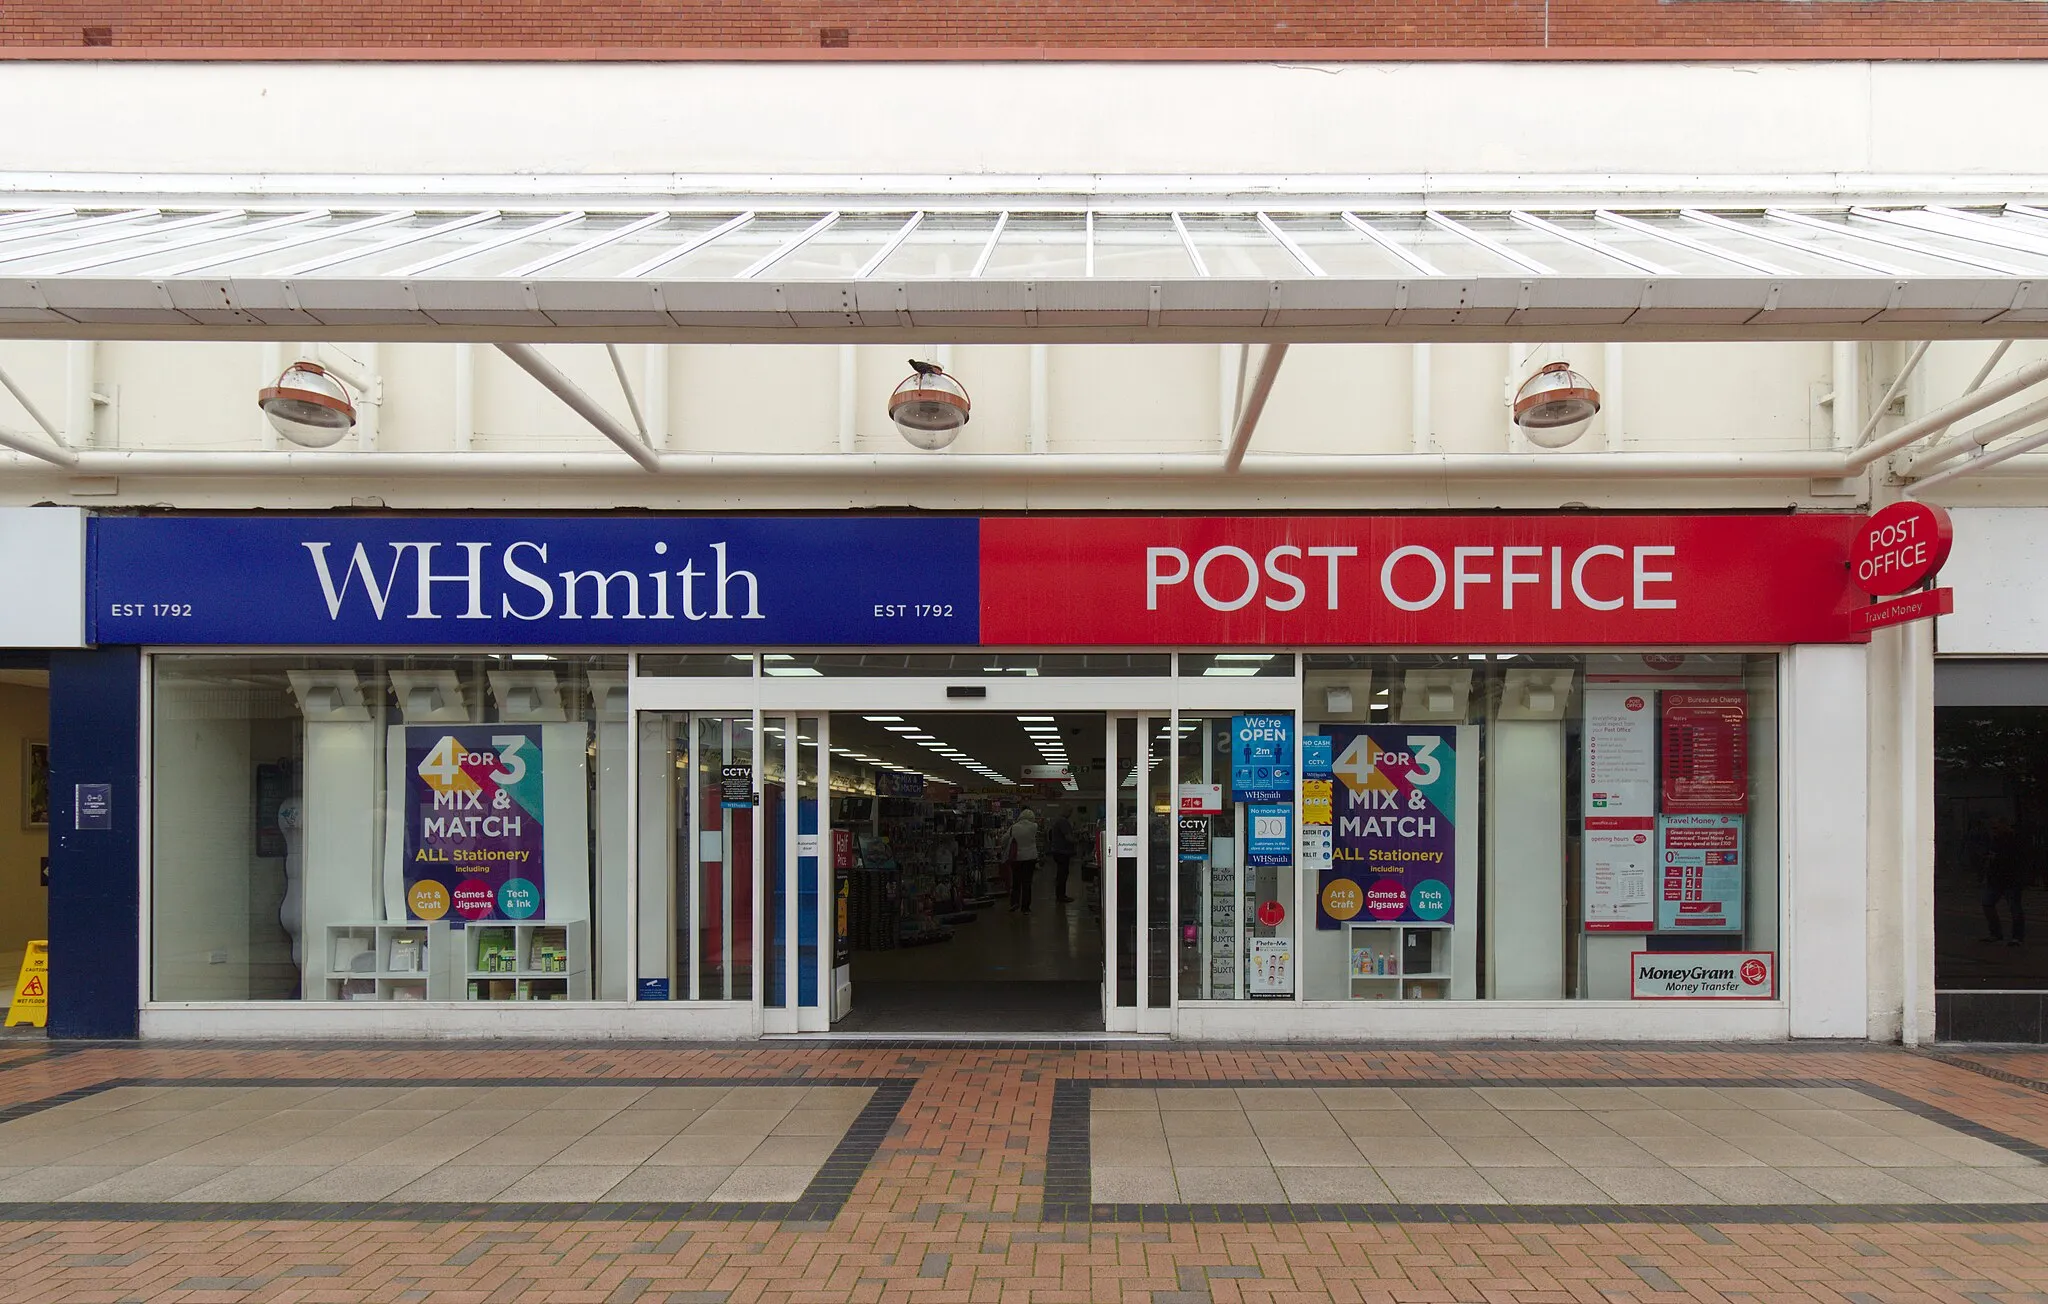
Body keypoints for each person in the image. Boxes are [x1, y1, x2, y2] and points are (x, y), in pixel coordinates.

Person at [1982, 819, 2028, 947]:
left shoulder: (2013, 841)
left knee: (2014, 908)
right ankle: (1996, 933)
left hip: (2010, 879)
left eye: (1996, 828)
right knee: (1988, 904)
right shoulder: (1995, 841)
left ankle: (2016, 937)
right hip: (1997, 879)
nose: (1993, 831)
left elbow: (2017, 860)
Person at [1006, 807, 1042, 913]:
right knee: (1027, 883)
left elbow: (1005, 839)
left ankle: (1014, 903)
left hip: (1016, 857)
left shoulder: (1014, 827)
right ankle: (1025, 907)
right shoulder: (1034, 826)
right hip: (1030, 857)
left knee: (1016, 882)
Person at [1046, 806, 1078, 904]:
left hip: (1058, 851)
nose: (1070, 813)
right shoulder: (1063, 822)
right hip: (1062, 852)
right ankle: (1061, 896)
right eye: (1069, 811)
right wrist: (1077, 841)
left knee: (1061, 873)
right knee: (1063, 874)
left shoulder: (1058, 821)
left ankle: (1060, 895)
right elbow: (1068, 837)